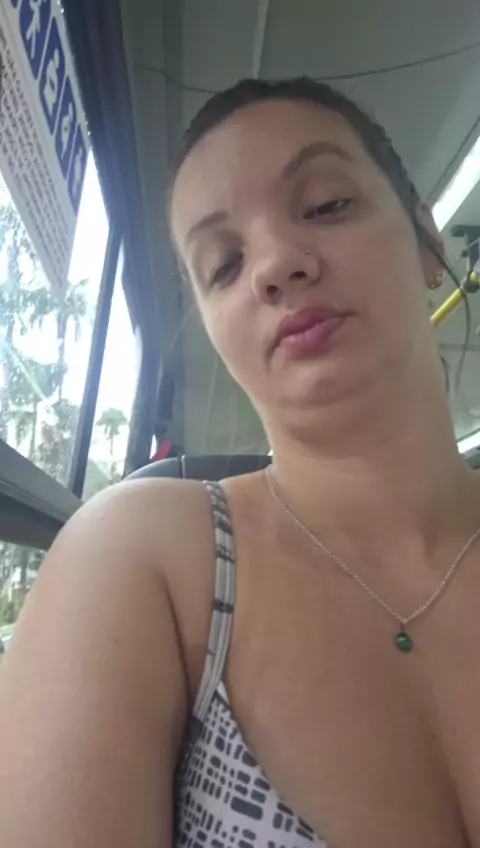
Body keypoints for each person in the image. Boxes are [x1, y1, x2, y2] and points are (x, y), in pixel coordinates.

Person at [1, 77, 480, 848]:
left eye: (326, 205)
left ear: (428, 237)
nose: (276, 265)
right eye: (223, 264)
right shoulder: (141, 558)